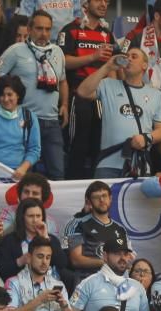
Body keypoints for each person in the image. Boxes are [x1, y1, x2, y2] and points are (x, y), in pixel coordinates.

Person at [0, 10, 66, 179]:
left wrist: (65, 104)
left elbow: (63, 81)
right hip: (24, 120)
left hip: (51, 121)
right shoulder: (15, 50)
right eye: (39, 28)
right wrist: (8, 104)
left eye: (47, 29)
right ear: (29, 29)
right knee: (23, 175)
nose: (44, 33)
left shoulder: (58, 52)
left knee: (58, 174)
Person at [76, 46, 161, 178]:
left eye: (134, 56)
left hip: (138, 164)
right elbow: (82, 92)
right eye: (126, 56)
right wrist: (107, 67)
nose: (128, 59)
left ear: (144, 65)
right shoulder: (108, 85)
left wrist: (146, 138)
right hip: (108, 163)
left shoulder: (156, 95)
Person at [58, 0, 115, 179]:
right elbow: (62, 61)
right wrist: (93, 56)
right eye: (99, 0)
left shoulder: (107, 34)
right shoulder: (69, 29)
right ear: (85, 3)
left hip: (101, 96)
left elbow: (111, 67)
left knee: (99, 145)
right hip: (78, 95)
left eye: (107, 1)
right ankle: (73, 186)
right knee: (78, 147)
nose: (104, 4)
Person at [69, 236, 152, 311]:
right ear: (105, 256)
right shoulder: (89, 283)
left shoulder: (137, 287)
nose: (123, 258)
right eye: (117, 253)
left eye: (126, 254)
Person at [5, 235, 69, 311]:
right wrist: (39, 300)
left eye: (48, 257)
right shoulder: (14, 283)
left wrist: (64, 306)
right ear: (29, 257)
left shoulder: (58, 284)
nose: (44, 262)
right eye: (40, 256)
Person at [63, 181, 125, 278]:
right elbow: (75, 260)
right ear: (88, 201)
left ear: (110, 198)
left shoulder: (120, 229)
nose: (101, 200)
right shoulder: (76, 225)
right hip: (87, 281)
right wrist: (107, 262)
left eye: (104, 195)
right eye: (96, 197)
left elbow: (125, 258)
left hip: (115, 281)